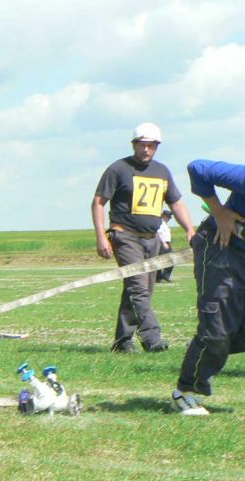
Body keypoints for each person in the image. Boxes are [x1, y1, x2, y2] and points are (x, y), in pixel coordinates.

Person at [91, 123, 195, 352]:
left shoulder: (162, 171)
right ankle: (152, 338)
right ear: (134, 144)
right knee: (138, 288)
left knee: (141, 290)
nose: (146, 150)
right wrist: (101, 236)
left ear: (157, 147)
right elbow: (98, 202)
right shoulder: (118, 168)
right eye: (142, 145)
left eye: (151, 145)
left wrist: (189, 228)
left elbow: (176, 202)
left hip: (152, 238)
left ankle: (122, 341)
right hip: (125, 237)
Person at [171, 159, 245, 416]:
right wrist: (219, 211)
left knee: (233, 330)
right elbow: (198, 168)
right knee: (217, 328)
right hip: (221, 248)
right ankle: (185, 392)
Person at [155, 210, 174, 282]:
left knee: (169, 260)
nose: (170, 218)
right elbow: (158, 234)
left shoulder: (164, 223)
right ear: (164, 216)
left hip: (166, 243)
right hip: (162, 244)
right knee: (169, 260)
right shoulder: (161, 223)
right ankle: (161, 277)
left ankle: (162, 277)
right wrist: (164, 243)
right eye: (169, 216)